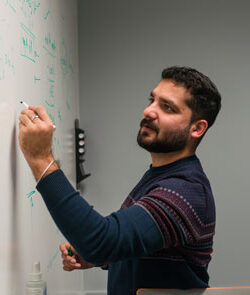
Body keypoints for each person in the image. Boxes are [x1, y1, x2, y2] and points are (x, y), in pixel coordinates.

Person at [19, 66, 221, 295]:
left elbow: (101, 241)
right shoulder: (160, 175)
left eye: (167, 107)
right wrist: (106, 259)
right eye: (151, 100)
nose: (149, 111)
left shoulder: (185, 191)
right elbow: (137, 245)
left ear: (197, 128)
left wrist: (41, 159)